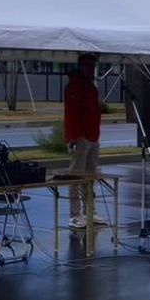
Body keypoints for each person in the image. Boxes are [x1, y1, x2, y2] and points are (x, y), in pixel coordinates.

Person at [64, 53, 102, 232]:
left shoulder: (91, 87)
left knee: (90, 175)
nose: (91, 69)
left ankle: (89, 211)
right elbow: (71, 114)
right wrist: (72, 137)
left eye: (92, 66)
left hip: (93, 135)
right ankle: (75, 214)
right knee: (75, 175)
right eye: (87, 65)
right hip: (80, 136)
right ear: (80, 66)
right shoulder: (75, 86)